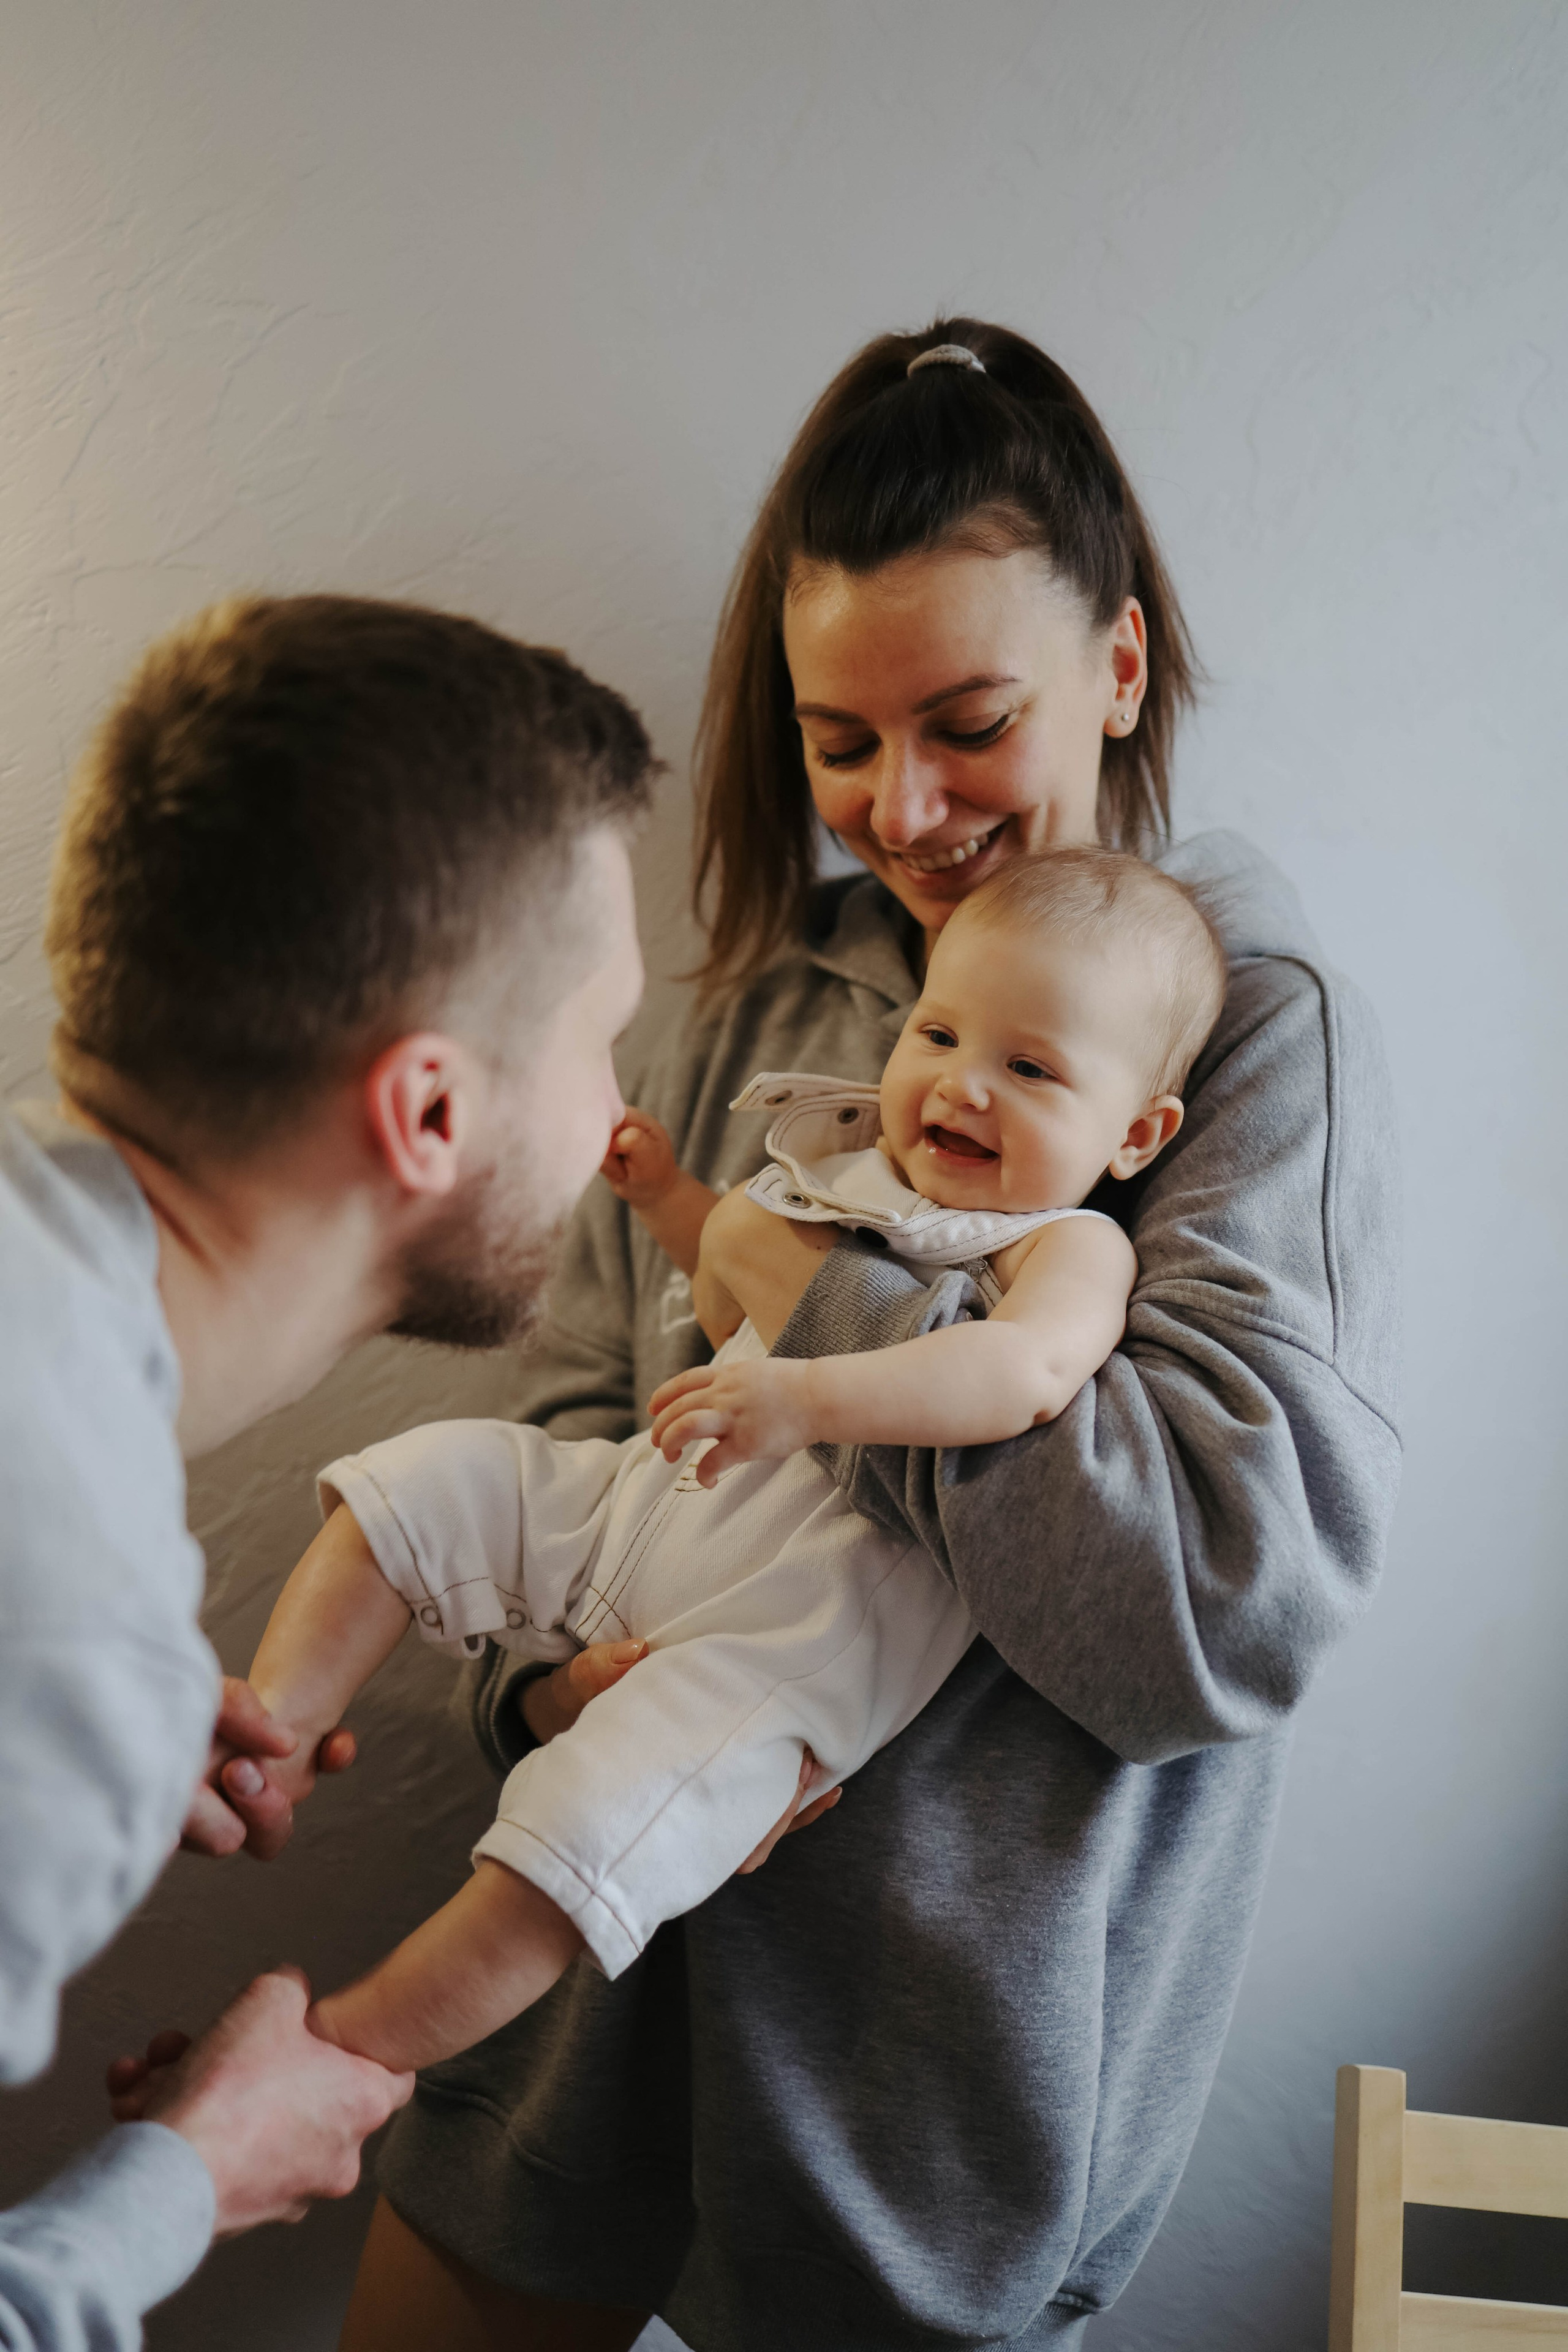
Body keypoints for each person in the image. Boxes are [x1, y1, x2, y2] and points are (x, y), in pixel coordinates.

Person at [328, 319, 1401, 2352]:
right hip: (573, 2000)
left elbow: (1213, 1614)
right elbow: (577, 1420)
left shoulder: (1245, 1032)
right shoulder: (767, 999)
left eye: (968, 719)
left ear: (1119, 666)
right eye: (838, 742)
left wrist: (807, 1309)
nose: (898, 810)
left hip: (922, 2123)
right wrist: (550, 1699)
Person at [208, 846, 1226, 2069]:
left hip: (774, 1659)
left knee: (573, 1845)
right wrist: (668, 1201)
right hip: (636, 1506)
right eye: (940, 1034)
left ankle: (340, 2052)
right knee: (421, 1485)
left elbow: (1017, 1380)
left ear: (1135, 1134)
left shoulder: (1062, 1250)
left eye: (1028, 1067)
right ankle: (271, 1736)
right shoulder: (854, 1170)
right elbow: (728, 1270)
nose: (961, 1087)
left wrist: (807, 1393)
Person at [0, 592, 654, 2350]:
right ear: (431, 1113)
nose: (616, 1121)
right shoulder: (59, 1621)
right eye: (598, 1038)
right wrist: (193, 2175)